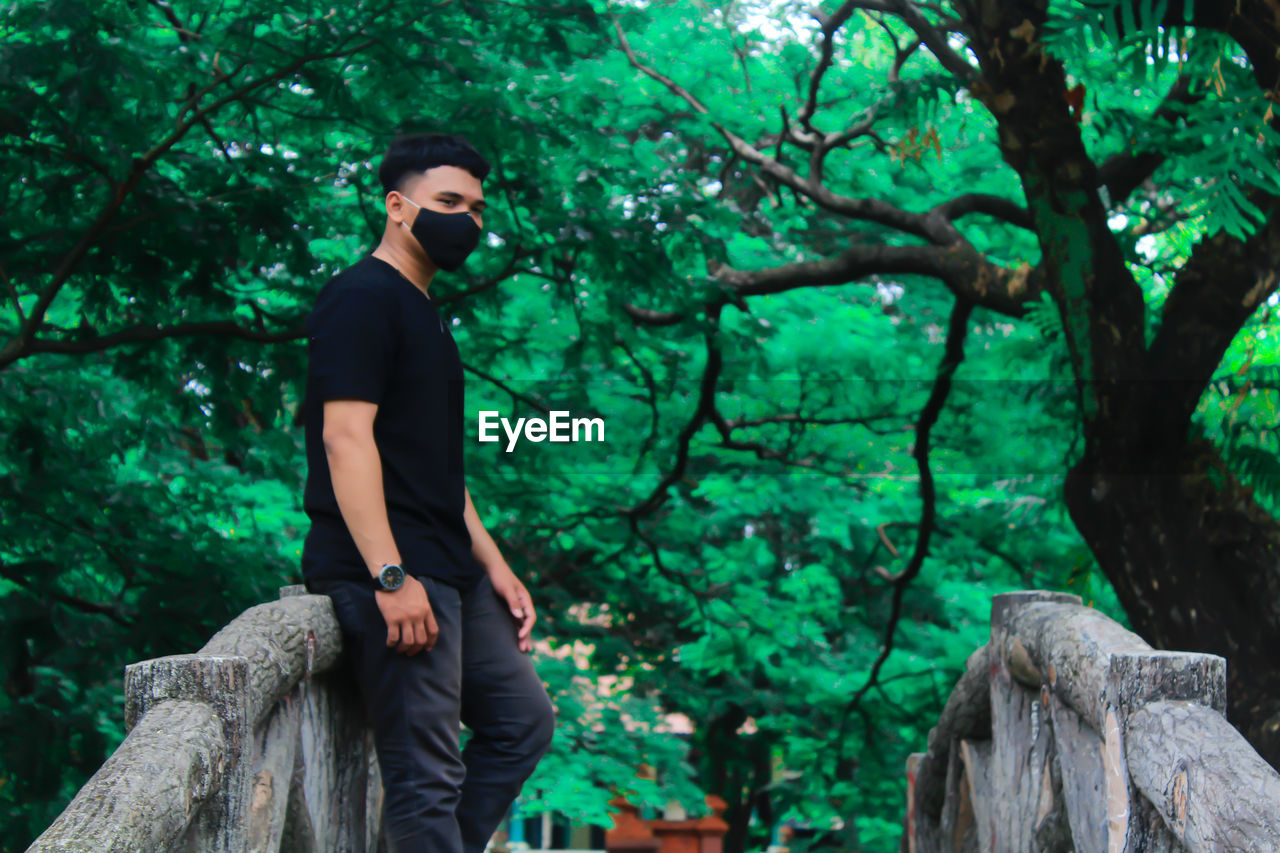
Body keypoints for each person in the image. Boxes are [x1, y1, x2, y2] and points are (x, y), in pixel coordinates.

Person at [300, 132, 556, 853]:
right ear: (398, 206)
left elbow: (438, 465)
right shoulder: (359, 298)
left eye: (477, 208)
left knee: (522, 721)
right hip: (392, 570)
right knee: (425, 779)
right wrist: (388, 573)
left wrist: (497, 566)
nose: (467, 221)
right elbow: (344, 438)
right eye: (448, 202)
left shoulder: (427, 314)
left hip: (451, 569)